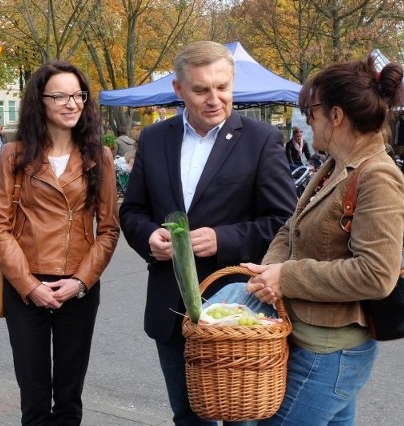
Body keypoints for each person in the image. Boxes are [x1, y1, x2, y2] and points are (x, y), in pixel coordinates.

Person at [119, 40, 297, 426]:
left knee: (242, 418)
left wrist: (223, 238)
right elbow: (131, 211)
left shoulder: (260, 139)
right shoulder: (153, 139)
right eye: (201, 89)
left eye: (223, 87)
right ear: (179, 90)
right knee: (187, 415)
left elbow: (284, 221)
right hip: (172, 304)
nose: (215, 98)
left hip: (238, 308)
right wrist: (149, 237)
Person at [244, 57, 404, 425]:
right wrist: (270, 269)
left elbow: (376, 275)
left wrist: (285, 277)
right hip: (314, 344)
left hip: (329, 353)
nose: (307, 120)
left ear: (336, 116)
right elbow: (293, 226)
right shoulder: (337, 164)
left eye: (310, 110)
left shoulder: (376, 176)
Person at [0, 61, 120, 425]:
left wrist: (80, 282)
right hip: (25, 288)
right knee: (34, 396)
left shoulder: (99, 157)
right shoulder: (14, 156)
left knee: (69, 396)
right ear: (39, 101)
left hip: (78, 288)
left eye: (78, 95)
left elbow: (108, 229)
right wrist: (29, 286)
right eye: (59, 95)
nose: (71, 103)